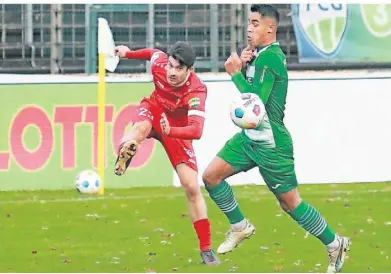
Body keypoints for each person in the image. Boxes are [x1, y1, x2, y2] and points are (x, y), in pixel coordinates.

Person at [202, 4, 350, 273]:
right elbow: (254, 95)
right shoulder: (260, 56)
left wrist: (235, 72)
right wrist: (246, 65)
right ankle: (240, 227)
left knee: (290, 203)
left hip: (272, 144)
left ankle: (334, 243)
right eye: (248, 22)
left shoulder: (271, 58)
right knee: (211, 176)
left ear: (270, 28)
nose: (249, 28)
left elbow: (255, 105)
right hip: (249, 139)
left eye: (255, 23)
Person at [113, 41, 219, 265]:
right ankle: (125, 150)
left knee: (191, 186)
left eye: (178, 69)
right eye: (170, 66)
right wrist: (127, 53)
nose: (171, 72)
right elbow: (152, 53)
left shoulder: (196, 90)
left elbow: (196, 130)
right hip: (154, 110)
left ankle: (206, 249)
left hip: (177, 130)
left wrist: (172, 131)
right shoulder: (160, 64)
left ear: (190, 70)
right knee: (140, 129)